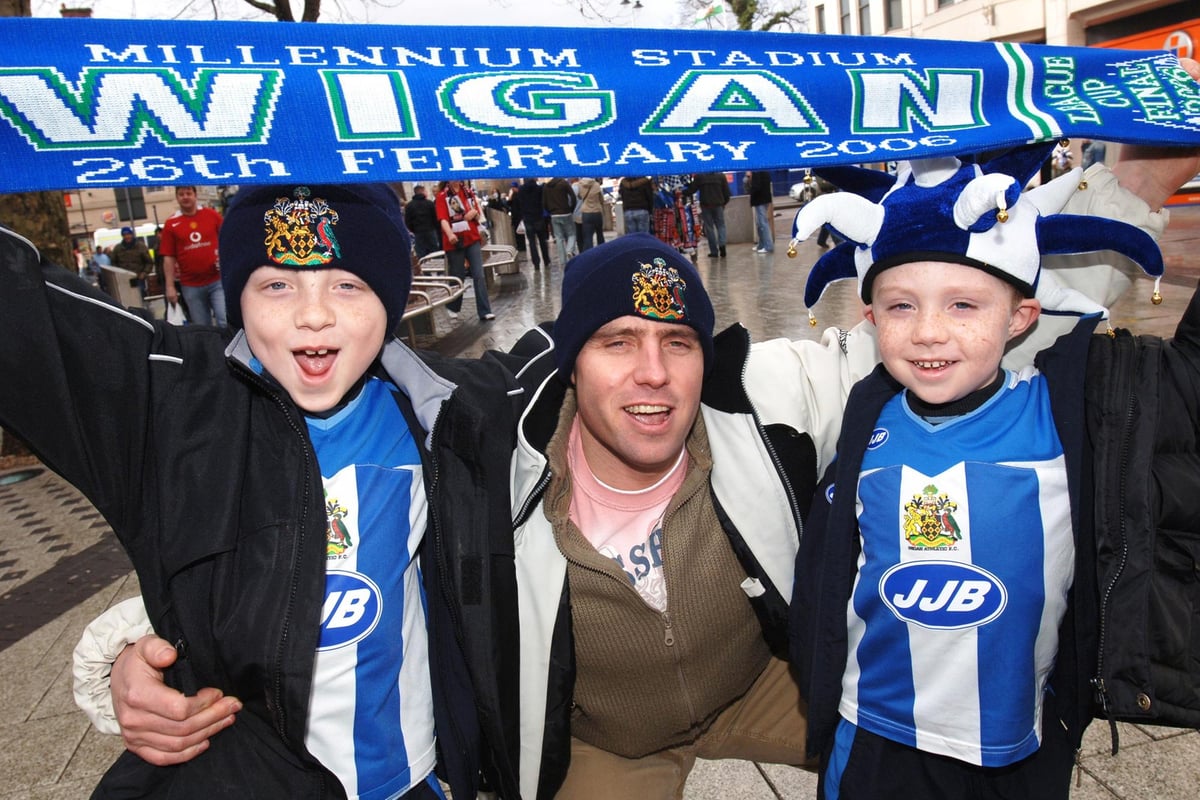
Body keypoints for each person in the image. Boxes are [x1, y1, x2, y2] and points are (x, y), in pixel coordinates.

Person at [72, 126, 1200, 800]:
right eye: (616, 342)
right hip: (604, 739)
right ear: (572, 363)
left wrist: (1115, 195)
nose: (653, 375)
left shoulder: (769, 403)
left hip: (769, 687)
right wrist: (131, 649)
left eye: (677, 344)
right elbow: (296, 533)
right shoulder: (487, 448)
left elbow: (952, 325)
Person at [1, 182, 528, 799]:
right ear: (238, 299)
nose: (313, 314)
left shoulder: (443, 411)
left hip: (406, 779)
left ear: (390, 300)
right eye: (277, 285)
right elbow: (27, 321)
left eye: (348, 285)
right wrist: (126, 649)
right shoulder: (171, 408)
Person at [788, 146, 1200, 799]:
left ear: (1021, 318)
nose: (928, 332)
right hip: (874, 743)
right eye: (901, 306)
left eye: (963, 305)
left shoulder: (1065, 415)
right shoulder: (866, 427)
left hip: (1019, 748)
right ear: (870, 317)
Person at [160, 185, 226, 326]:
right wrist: (170, 286)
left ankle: (230, 341)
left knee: (224, 318)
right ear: (177, 198)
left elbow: (228, 239)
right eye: (181, 194)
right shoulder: (171, 224)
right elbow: (168, 257)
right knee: (202, 326)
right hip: (190, 285)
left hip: (217, 280)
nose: (185, 197)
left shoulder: (212, 215)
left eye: (188, 193)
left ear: (195, 195)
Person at [436, 178, 495, 321]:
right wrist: (450, 234)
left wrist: (474, 213)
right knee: (458, 275)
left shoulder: (468, 192)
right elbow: (443, 219)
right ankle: (453, 306)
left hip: (472, 237)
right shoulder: (442, 196)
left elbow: (477, 214)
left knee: (479, 274)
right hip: (455, 241)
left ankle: (484, 310)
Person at [687, 171, 731, 258]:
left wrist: (682, 192)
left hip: (706, 206)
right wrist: (723, 203)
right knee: (721, 226)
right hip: (718, 205)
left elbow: (692, 189)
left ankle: (714, 251)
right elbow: (726, 192)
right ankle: (722, 246)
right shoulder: (721, 176)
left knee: (709, 228)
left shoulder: (700, 176)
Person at [515, 177, 552, 269]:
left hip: (527, 218)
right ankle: (546, 259)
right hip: (538, 217)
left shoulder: (521, 190)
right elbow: (543, 202)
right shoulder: (539, 189)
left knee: (532, 242)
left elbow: (519, 203)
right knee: (542, 240)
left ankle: (536, 263)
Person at [542, 175, 577, 266]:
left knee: (558, 238)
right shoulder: (564, 183)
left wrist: (550, 211)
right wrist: (571, 209)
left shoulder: (546, 186)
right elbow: (573, 197)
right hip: (566, 212)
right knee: (571, 234)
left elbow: (544, 203)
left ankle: (562, 261)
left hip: (554, 215)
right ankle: (569, 250)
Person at [110, 225, 154, 295]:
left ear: (132, 234)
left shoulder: (141, 246)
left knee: (140, 295)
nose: (127, 236)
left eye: (128, 234)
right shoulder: (118, 248)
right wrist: (118, 274)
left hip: (138, 278)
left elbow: (149, 262)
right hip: (124, 279)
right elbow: (113, 263)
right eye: (124, 235)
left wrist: (144, 273)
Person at [403, 184, 441, 259]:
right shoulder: (429, 203)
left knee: (421, 254)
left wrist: (413, 230)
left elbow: (407, 221)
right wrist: (436, 228)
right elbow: (435, 218)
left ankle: (424, 266)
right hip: (431, 231)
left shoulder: (409, 206)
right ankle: (437, 266)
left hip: (418, 233)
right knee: (435, 253)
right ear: (423, 192)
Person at [574, 175, 606, 252]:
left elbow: (579, 197)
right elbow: (601, 199)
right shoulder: (596, 185)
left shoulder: (580, 185)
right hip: (597, 212)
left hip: (586, 213)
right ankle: (602, 252)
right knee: (600, 234)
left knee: (588, 236)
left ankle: (590, 254)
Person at [748, 170, 775, 253]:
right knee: (760, 223)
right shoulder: (764, 171)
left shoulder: (756, 172)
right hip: (765, 199)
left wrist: (749, 179)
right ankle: (762, 245)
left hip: (759, 200)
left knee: (762, 223)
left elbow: (756, 187)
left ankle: (768, 246)